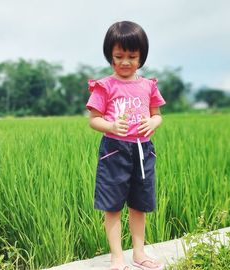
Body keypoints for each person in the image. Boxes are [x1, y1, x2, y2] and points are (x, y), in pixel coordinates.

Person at [86, 21, 166, 270]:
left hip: (143, 150)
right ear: (110, 55)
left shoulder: (148, 85)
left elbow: (157, 115)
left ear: (141, 57)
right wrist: (110, 126)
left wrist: (153, 123)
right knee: (112, 206)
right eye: (119, 56)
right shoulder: (105, 86)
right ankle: (117, 257)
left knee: (139, 204)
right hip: (114, 151)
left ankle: (139, 253)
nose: (125, 62)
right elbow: (94, 120)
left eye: (132, 56)